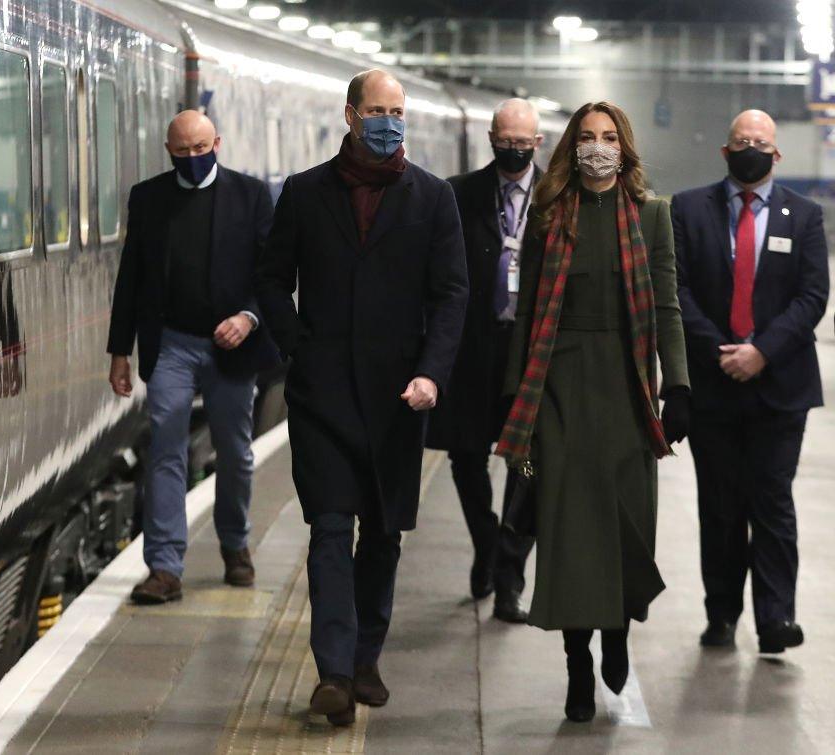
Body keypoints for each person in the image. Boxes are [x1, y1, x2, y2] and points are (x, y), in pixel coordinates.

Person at [255, 69, 468, 727]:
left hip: (399, 397)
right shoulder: (305, 193)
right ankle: (334, 670)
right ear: (350, 114)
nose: (388, 120)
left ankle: (367, 654)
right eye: (377, 109)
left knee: (382, 533)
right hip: (322, 395)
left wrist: (432, 371)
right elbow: (269, 279)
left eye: (397, 110)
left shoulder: (431, 199)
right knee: (327, 527)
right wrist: (296, 347)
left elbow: (452, 293)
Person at [497, 102, 689, 722]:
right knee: (569, 529)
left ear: (624, 148)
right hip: (558, 388)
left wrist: (678, 386)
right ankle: (578, 664)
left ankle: (618, 634)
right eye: (587, 138)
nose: (598, 147)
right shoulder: (550, 215)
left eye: (609, 138)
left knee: (627, 524)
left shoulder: (653, 215)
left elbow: (666, 307)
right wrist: (512, 394)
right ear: (571, 146)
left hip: (629, 387)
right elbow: (527, 313)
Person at [671, 110, 829, 655]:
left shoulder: (804, 217)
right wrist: (724, 351)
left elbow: (812, 297)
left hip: (780, 388)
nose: (751, 150)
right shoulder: (688, 210)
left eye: (761, 143)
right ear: (725, 150)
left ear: (777, 155)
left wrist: (762, 351)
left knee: (772, 502)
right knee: (719, 507)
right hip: (714, 387)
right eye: (742, 141)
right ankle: (721, 616)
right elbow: (677, 289)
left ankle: (776, 619)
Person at [107, 110, 278, 603]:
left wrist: (247, 317)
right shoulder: (150, 199)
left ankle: (234, 543)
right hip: (172, 344)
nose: (193, 159)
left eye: (201, 149)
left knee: (236, 452)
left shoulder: (250, 196)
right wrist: (120, 352)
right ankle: (164, 567)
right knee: (166, 447)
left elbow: (270, 275)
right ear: (168, 149)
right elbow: (131, 279)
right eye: (182, 151)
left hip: (233, 347)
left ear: (217, 143)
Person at [426, 98, 542, 619]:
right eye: (505, 141)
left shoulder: (557, 199)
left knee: (529, 465)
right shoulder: (458, 194)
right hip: (473, 352)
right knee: (466, 457)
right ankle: (485, 542)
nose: (513, 151)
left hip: (530, 354)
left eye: (523, 143)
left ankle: (510, 575)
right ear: (491, 137)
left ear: (538, 143)